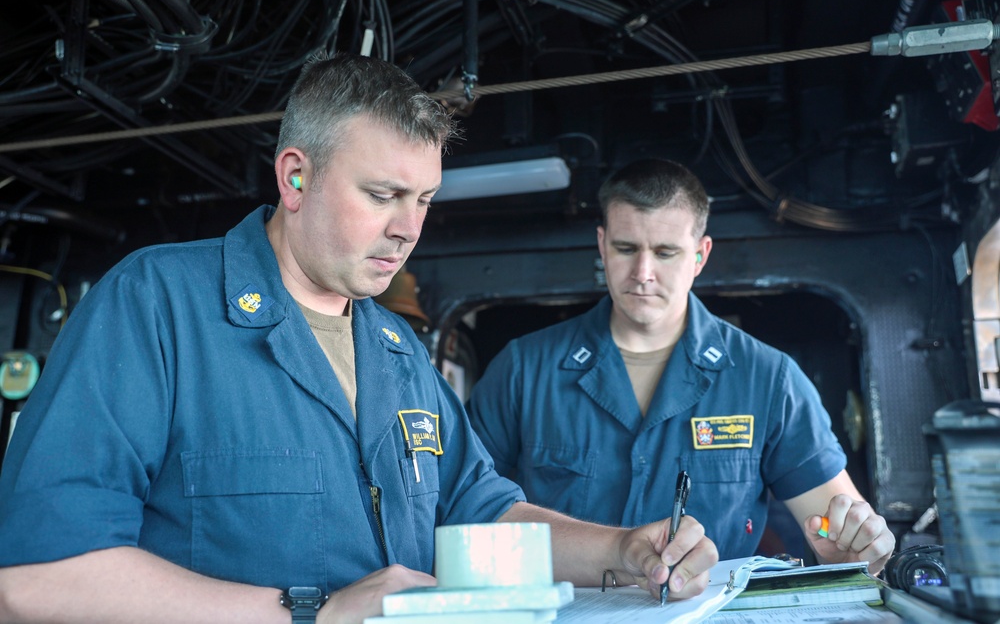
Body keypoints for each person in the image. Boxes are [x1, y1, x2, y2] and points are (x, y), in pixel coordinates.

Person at [0, 56, 717, 624]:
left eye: (424, 199)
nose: (408, 227)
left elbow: (484, 512)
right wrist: (312, 611)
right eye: (381, 195)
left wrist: (623, 548)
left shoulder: (397, 352)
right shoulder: (157, 305)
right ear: (296, 176)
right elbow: (35, 580)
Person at [467, 158, 896, 575]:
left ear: (700, 255)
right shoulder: (523, 371)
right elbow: (467, 509)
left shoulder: (768, 380)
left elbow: (842, 532)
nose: (643, 272)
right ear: (602, 245)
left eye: (666, 252)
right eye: (625, 248)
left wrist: (854, 549)